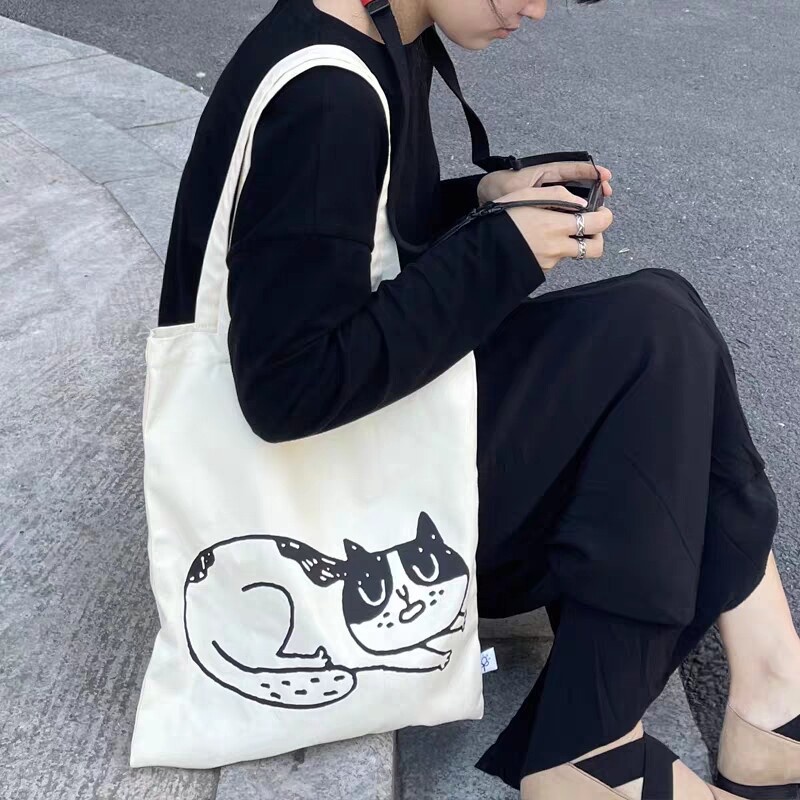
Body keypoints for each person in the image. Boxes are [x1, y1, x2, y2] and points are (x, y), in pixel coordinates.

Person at [156, 0, 799, 796]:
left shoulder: (378, 30)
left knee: (666, 310)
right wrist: (500, 252)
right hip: (358, 523)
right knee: (652, 339)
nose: (535, 9)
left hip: (380, 448)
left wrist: (486, 196)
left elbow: (368, 233)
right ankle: (591, 750)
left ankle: (774, 690)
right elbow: (287, 391)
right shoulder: (327, 97)